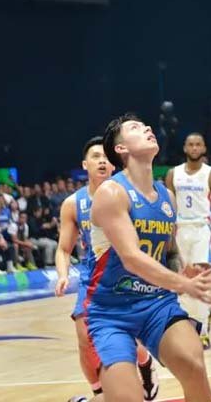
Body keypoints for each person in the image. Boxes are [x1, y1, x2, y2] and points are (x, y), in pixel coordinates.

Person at [87, 114, 211, 402]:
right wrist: (182, 285)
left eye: (146, 126)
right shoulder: (112, 192)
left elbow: (169, 251)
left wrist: (184, 271)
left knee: (194, 366)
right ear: (121, 149)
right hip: (112, 312)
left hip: (156, 304)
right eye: (135, 128)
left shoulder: (166, 197)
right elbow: (131, 257)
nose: (147, 128)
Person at [55, 136, 158, 402]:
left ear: (113, 165)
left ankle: (144, 363)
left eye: (105, 157)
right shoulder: (73, 204)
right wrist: (63, 274)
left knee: (126, 337)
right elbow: (64, 249)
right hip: (95, 277)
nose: (101, 161)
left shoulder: (127, 193)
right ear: (85, 165)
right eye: (95, 156)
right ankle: (98, 392)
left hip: (127, 273)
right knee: (83, 335)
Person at [165, 133, 211, 349]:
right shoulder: (172, 174)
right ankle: (205, 313)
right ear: (185, 148)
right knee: (182, 280)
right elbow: (167, 209)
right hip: (179, 229)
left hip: (203, 228)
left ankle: (202, 330)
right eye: (191, 144)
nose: (194, 148)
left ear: (204, 148)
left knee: (201, 278)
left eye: (198, 144)